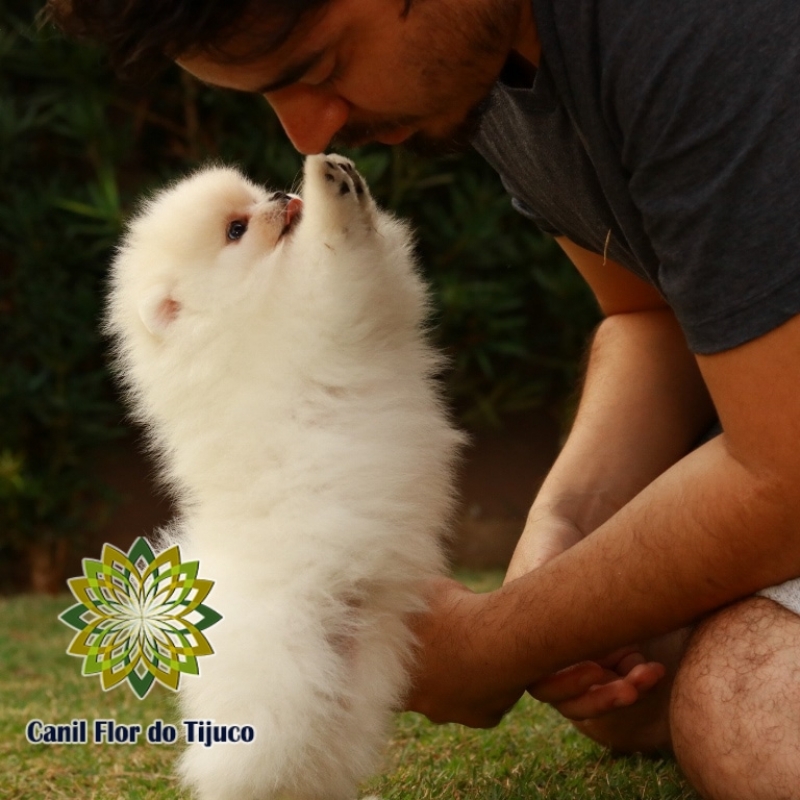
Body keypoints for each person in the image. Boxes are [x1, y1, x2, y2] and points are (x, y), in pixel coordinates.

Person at [44, 1, 800, 798]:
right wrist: (564, 538)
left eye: (323, 65)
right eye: (267, 96)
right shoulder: (499, 85)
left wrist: (501, 640)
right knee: (670, 680)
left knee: (743, 701)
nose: (306, 134)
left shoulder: (698, 33)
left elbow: (784, 472)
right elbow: (647, 313)